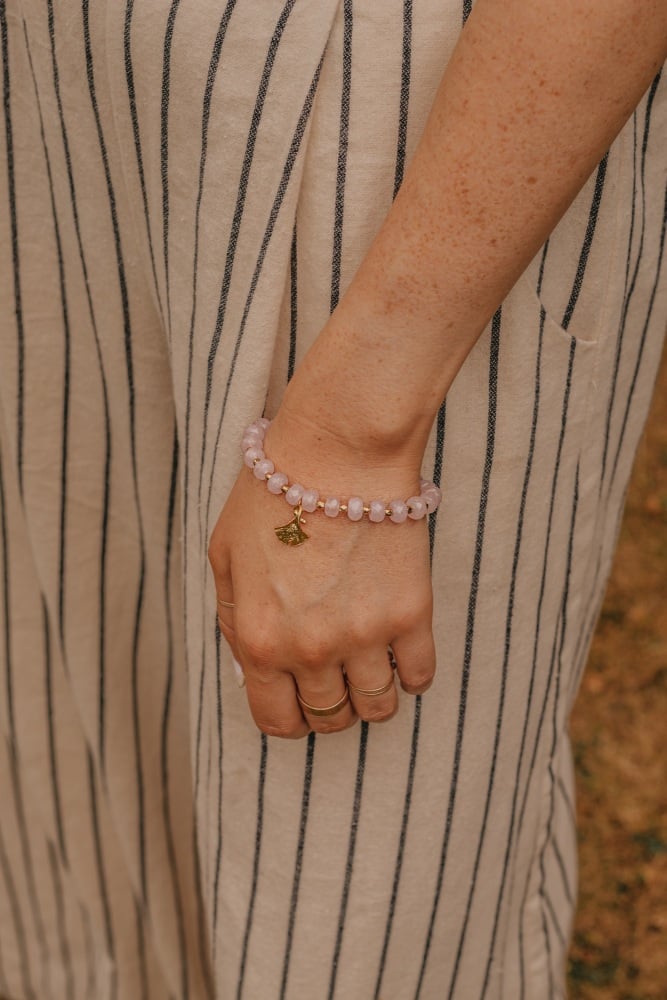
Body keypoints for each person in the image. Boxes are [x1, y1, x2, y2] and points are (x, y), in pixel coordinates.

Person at [0, 0, 665, 997]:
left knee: (340, 895)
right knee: (90, 754)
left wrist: (356, 436)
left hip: (389, 137)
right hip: (65, 99)